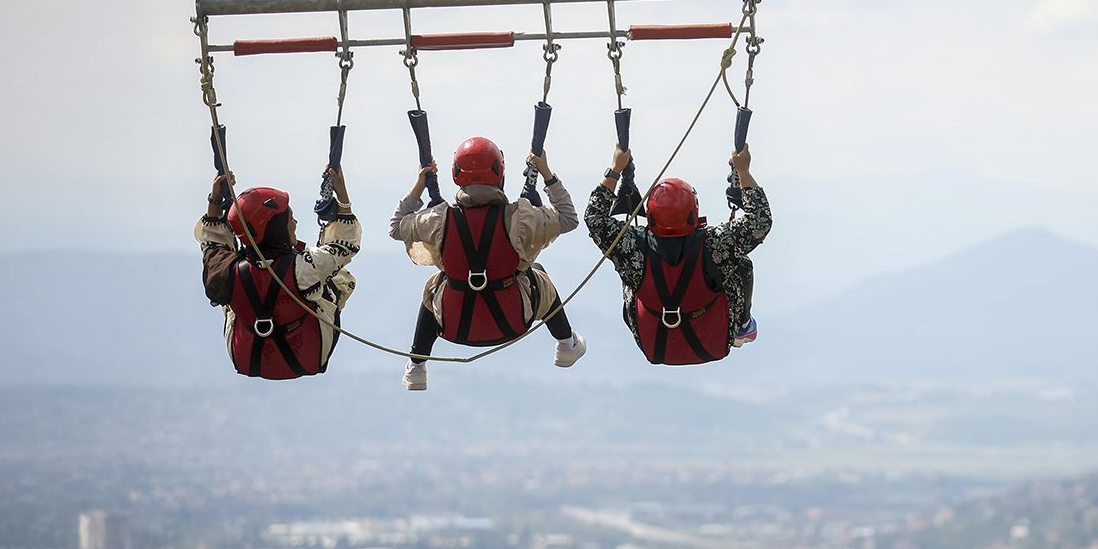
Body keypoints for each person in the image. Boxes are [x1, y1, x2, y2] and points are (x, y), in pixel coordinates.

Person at [390, 136, 586, 390]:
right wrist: (546, 173)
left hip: (455, 323)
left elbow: (396, 227)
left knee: (434, 286)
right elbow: (569, 218)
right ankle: (565, 344)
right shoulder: (520, 218)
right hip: (511, 319)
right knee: (538, 274)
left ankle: (416, 366)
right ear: (499, 173)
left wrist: (419, 185)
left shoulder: (439, 220)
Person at [584, 144, 771, 365]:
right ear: (693, 213)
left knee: (627, 269)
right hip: (713, 340)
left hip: (655, 343)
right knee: (740, 263)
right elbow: (760, 221)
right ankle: (743, 325)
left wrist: (615, 170)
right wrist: (744, 171)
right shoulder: (715, 245)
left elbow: (594, 218)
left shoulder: (633, 246)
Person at [196, 167, 361, 379]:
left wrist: (216, 200)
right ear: (274, 227)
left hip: (247, 357)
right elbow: (345, 245)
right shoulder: (304, 269)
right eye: (289, 219)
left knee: (226, 289)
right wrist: (342, 198)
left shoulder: (227, 270)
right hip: (306, 354)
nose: (295, 223)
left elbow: (213, 244)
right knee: (339, 278)